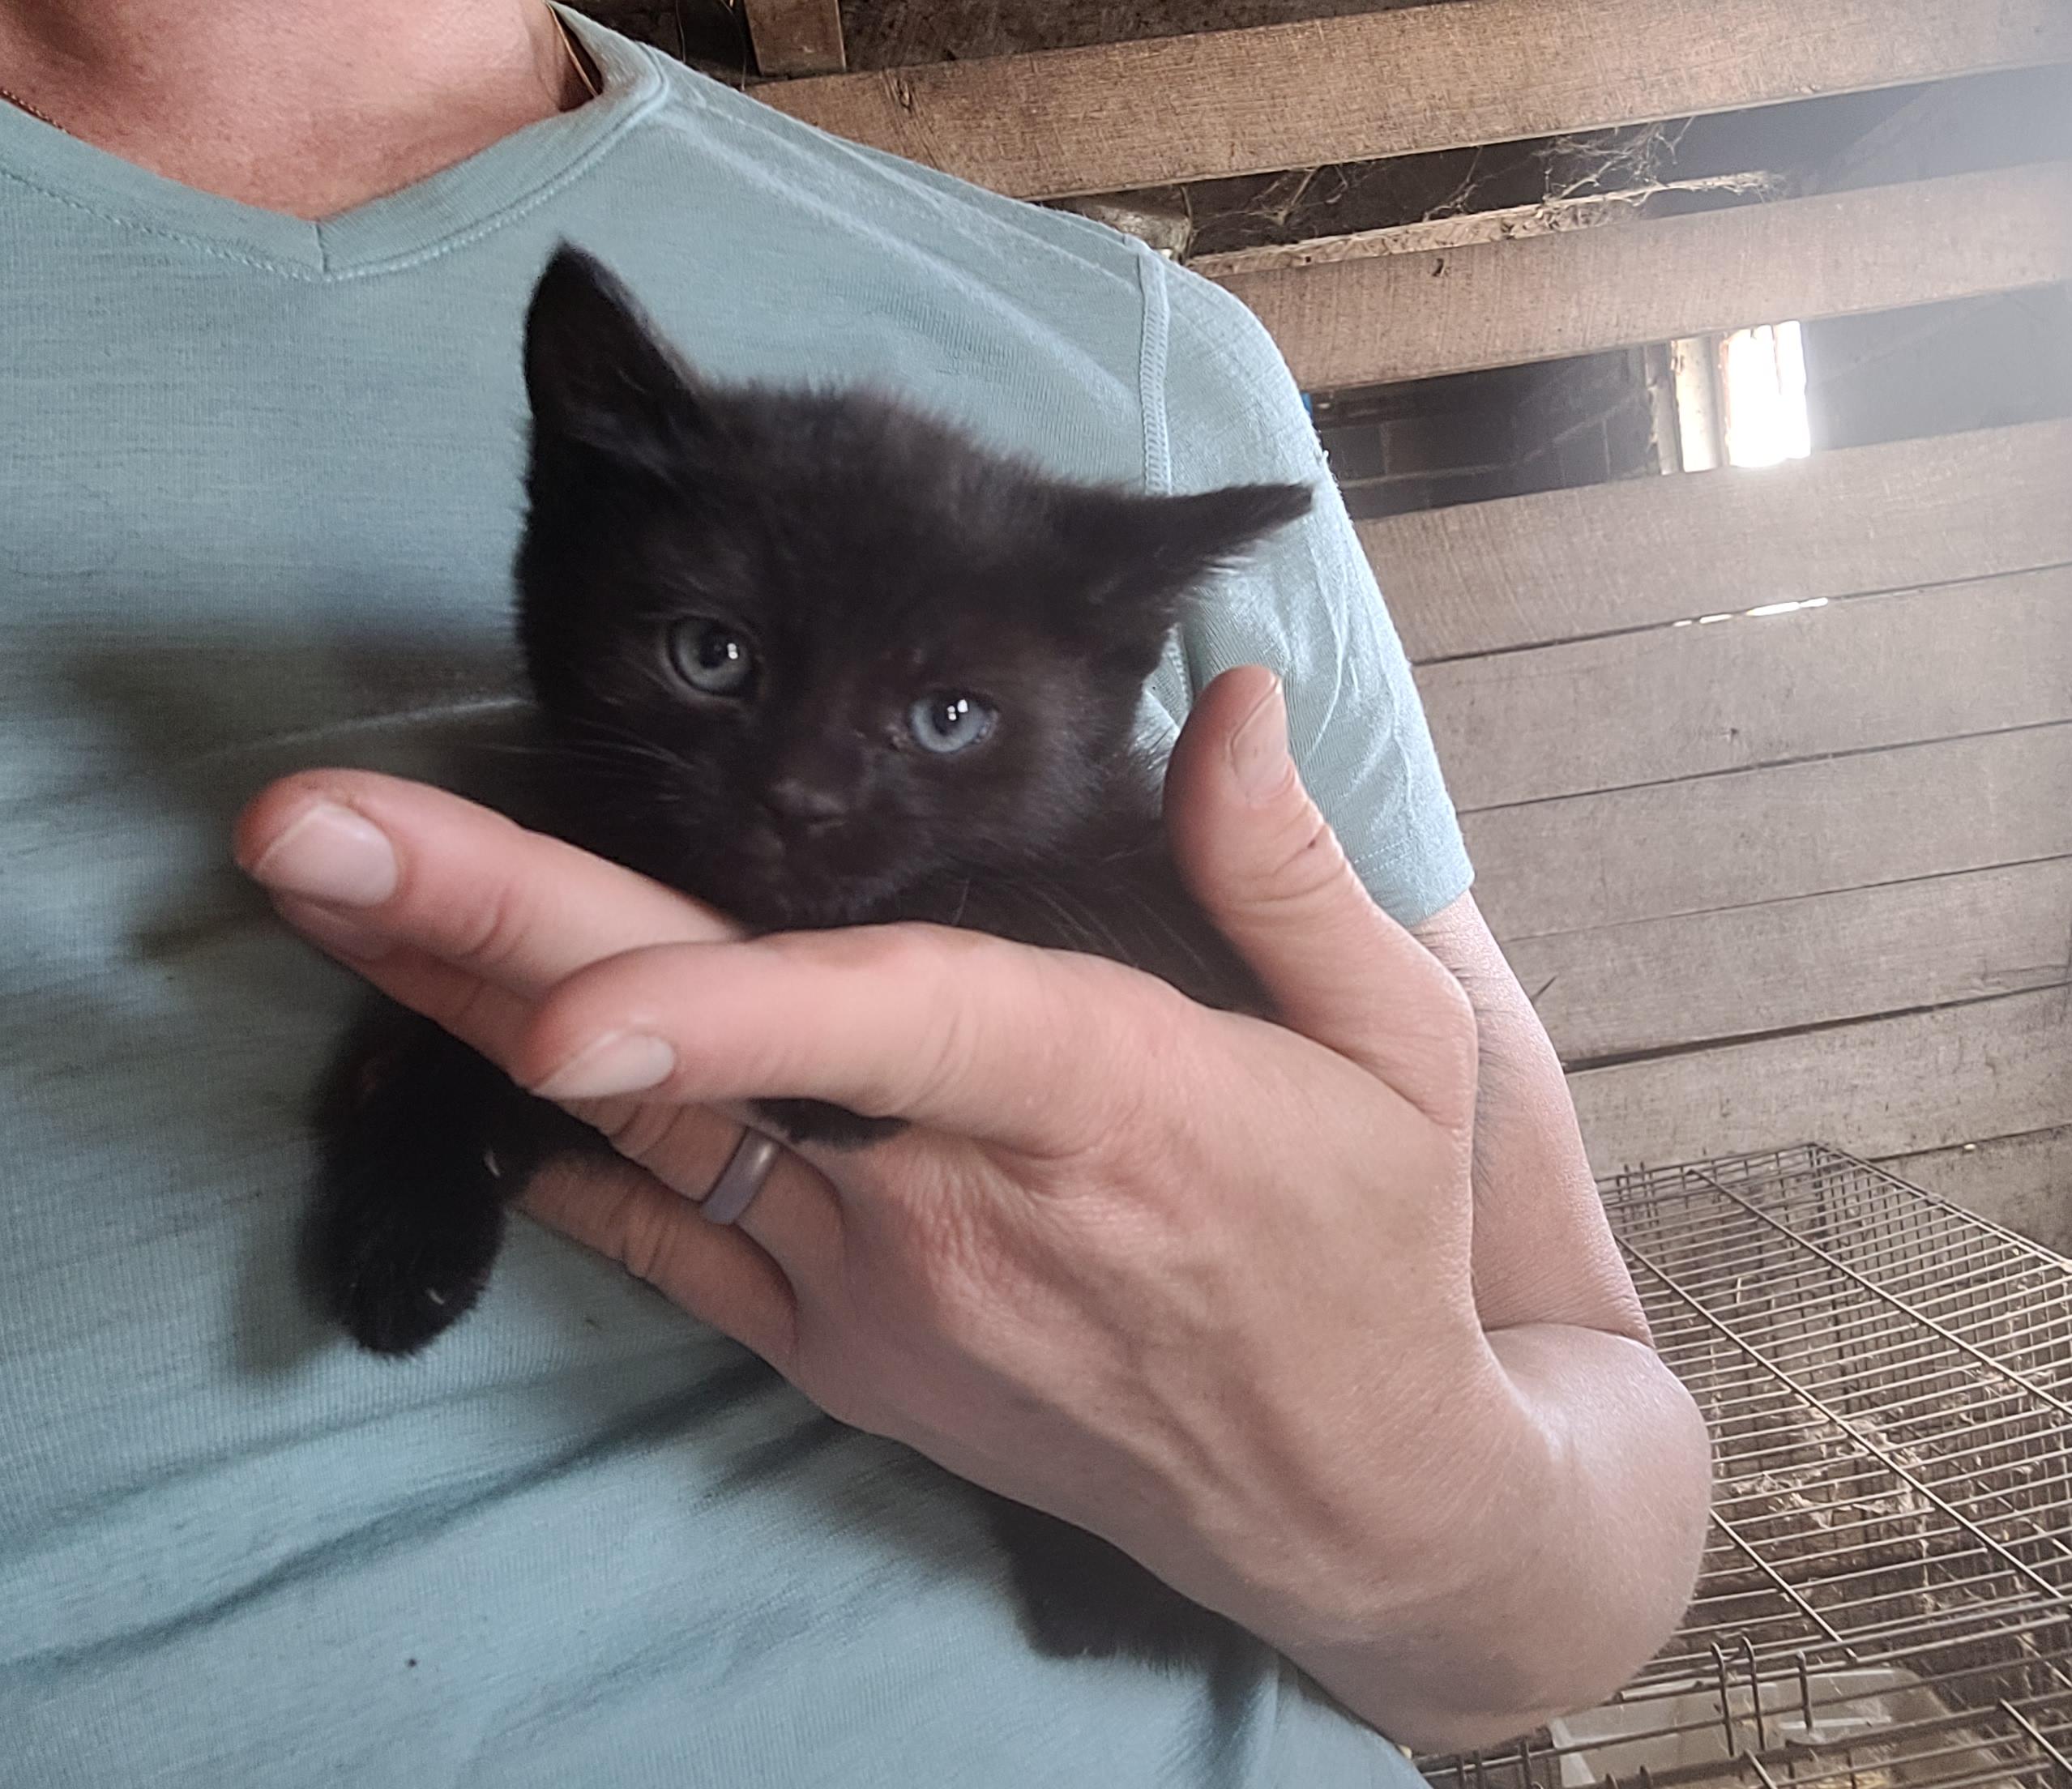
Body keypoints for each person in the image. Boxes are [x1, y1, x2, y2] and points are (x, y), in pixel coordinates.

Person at [0, 2, 1711, 1782]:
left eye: (945, 717)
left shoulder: (1133, 351)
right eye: (716, 656)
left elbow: (1566, 1553)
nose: (807, 788)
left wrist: (1403, 1491)